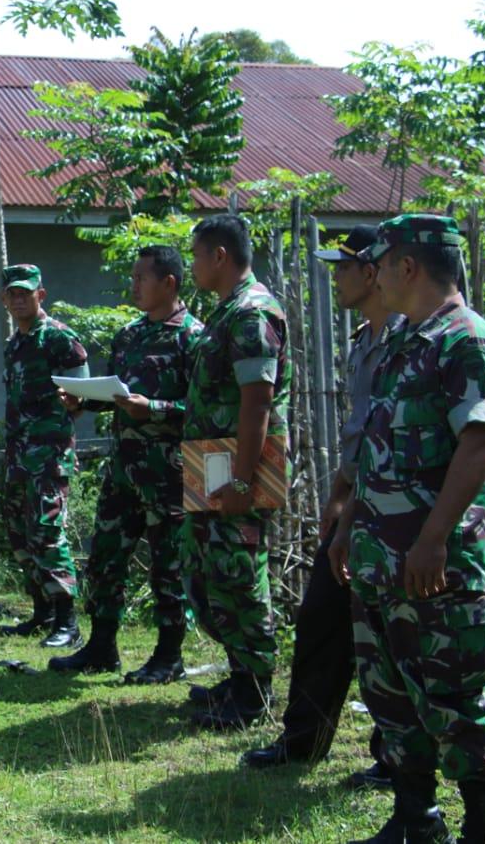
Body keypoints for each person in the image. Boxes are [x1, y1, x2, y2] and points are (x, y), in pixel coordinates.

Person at [332, 215, 485, 844]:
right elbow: (376, 449)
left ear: (406, 268)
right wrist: (347, 526)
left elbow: (480, 445)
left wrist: (434, 539)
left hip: (437, 566)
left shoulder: (470, 341)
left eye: (378, 263)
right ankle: (415, 819)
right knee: (393, 698)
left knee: (457, 702)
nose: (372, 274)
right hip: (381, 560)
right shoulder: (404, 340)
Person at [241, 225, 395, 788]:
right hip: (356, 502)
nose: (336, 275)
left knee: (385, 638)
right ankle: (303, 740)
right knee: (321, 621)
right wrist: (338, 494)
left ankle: (393, 758)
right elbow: (360, 432)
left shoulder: (410, 343)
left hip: (396, 512)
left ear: (373, 272)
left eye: (344, 266)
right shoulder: (364, 339)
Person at [55, 246, 201, 682]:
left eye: (141, 278)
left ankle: (169, 656)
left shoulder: (195, 338)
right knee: (104, 559)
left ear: (169, 283)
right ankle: (101, 647)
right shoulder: (129, 336)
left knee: (168, 566)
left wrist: (153, 408)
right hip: (123, 470)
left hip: (169, 473)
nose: (133, 285)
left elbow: (207, 408)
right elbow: (118, 396)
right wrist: (85, 401)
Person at [181, 214, 291, 729]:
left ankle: (255, 695)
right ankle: (239, 678)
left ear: (219, 256)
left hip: (239, 467)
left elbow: (257, 403)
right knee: (211, 576)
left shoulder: (252, 314)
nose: (193, 265)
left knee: (241, 576)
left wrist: (245, 479)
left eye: (197, 255)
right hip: (213, 463)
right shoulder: (227, 311)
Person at [0, 264, 89, 647]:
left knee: (48, 532)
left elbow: (84, 396)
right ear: (4, 300)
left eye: (25, 293)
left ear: (40, 295)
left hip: (50, 455)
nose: (19, 300)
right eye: (12, 294)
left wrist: (76, 401)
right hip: (19, 453)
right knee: (21, 534)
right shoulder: (15, 345)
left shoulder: (60, 338)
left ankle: (68, 621)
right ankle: (42, 612)